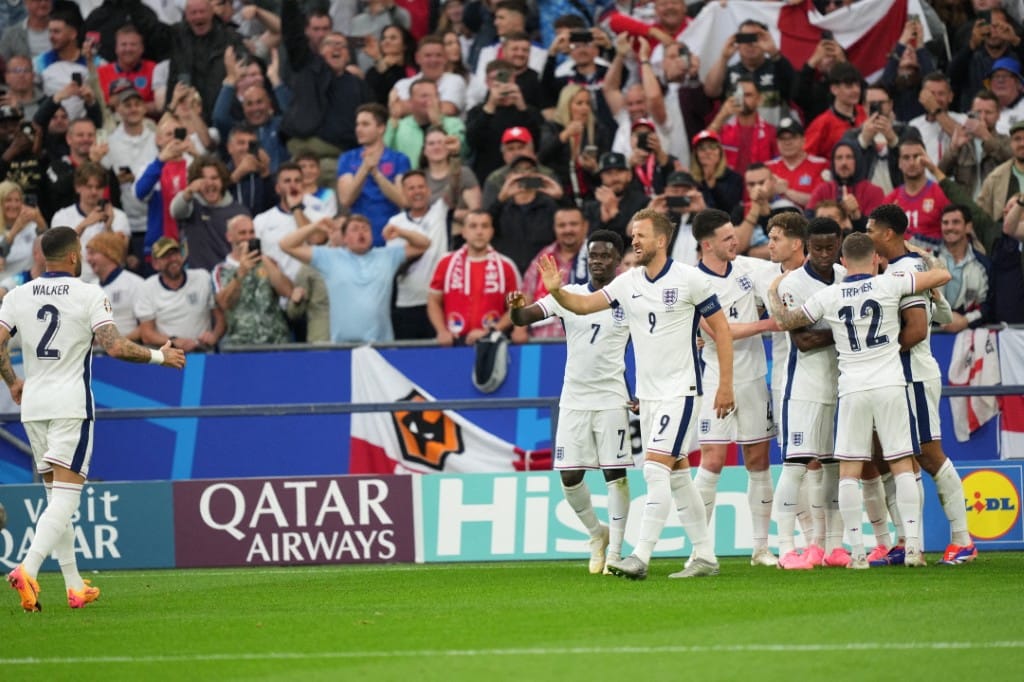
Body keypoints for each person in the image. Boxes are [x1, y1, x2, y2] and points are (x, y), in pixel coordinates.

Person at [538, 208, 733, 580]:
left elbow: (721, 331)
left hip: (682, 391)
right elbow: (582, 305)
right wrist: (556, 291)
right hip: (649, 394)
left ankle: (639, 557)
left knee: (655, 471)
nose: (634, 241)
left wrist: (724, 385)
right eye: (633, 235)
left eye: (640, 235)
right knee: (676, 475)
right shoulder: (628, 283)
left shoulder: (690, 279)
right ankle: (705, 556)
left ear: (661, 240)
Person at [3, 226, 184, 613]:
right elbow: (115, 346)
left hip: (33, 405)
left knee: (56, 498)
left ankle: (73, 585)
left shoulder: (17, 295)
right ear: (72, 257)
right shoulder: (88, 295)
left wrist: (12, 381)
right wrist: (159, 356)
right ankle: (28, 568)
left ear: (42, 256)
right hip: (70, 405)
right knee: (67, 499)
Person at [768, 229, 952, 569]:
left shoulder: (830, 295)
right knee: (900, 466)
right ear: (876, 260)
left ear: (841, 261)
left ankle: (855, 553)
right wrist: (921, 252)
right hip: (890, 385)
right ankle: (913, 548)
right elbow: (943, 273)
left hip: (851, 388)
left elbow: (787, 321)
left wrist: (773, 291)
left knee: (849, 472)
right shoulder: (890, 283)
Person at [507, 229, 632, 574]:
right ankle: (597, 533)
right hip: (574, 398)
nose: (597, 261)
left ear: (618, 261)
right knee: (570, 476)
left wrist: (634, 392)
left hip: (611, 398)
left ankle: (617, 553)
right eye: (592, 255)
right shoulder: (568, 294)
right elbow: (525, 317)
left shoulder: (628, 297)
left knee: (615, 474)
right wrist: (516, 309)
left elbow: (646, 347)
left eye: (605, 255)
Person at [865, 204, 978, 566]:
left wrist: (878, 354)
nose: (867, 236)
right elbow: (940, 314)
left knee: (929, 454)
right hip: (896, 376)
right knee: (891, 457)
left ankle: (963, 540)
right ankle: (905, 540)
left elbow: (914, 330)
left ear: (887, 234)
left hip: (912, 372)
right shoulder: (900, 268)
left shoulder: (908, 269)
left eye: (871, 230)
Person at [690, 208, 779, 567]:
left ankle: (760, 548)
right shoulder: (693, 282)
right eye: (727, 238)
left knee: (758, 461)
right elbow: (718, 332)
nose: (736, 241)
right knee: (711, 460)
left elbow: (783, 278)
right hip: (715, 379)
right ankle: (700, 549)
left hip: (755, 376)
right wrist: (768, 324)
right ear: (707, 244)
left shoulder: (747, 268)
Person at [771, 217, 846, 569]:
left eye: (831, 248)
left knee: (834, 467)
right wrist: (847, 331)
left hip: (840, 386)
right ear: (806, 246)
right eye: (817, 248)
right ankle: (787, 547)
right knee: (797, 465)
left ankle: (829, 546)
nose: (824, 255)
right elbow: (802, 341)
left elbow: (817, 333)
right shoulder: (793, 284)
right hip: (802, 388)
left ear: (840, 244)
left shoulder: (848, 278)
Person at [279, 213, 429, 343]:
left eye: (365, 228)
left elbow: (424, 244)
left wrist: (401, 232)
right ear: (344, 238)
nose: (361, 232)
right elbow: (286, 245)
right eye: (355, 229)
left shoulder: (387, 256)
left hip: (381, 344)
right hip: (343, 346)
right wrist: (314, 226)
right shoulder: (330, 257)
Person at [428, 209, 523, 346]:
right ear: (464, 232)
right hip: (453, 342)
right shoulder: (446, 263)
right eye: (473, 226)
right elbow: (433, 301)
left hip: (491, 342)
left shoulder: (506, 265)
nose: (479, 232)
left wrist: (492, 330)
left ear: (491, 231)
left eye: (485, 226)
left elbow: (517, 307)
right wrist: (442, 331)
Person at [386, 170, 451, 340]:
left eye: (421, 187)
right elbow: (397, 261)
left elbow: (455, 187)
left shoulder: (440, 211)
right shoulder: (395, 223)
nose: (417, 192)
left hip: (439, 301)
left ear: (429, 190)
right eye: (411, 188)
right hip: (407, 301)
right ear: (404, 193)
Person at [336, 103, 410, 246]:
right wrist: (364, 168)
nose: (359, 129)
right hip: (357, 238)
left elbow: (403, 200)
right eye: (357, 124)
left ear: (381, 128)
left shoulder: (400, 159)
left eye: (365, 124)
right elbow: (346, 199)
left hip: (389, 235)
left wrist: (376, 173)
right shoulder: (347, 158)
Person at [135, 236, 225, 352]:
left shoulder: (202, 277)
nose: (173, 259)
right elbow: (147, 334)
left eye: (176, 254)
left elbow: (221, 318)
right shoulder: (147, 287)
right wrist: (174, 341)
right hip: (168, 355)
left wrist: (214, 336)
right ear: (156, 264)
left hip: (201, 352)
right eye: (166, 256)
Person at [212, 214, 292, 345]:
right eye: (242, 233)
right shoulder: (221, 270)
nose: (248, 237)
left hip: (276, 341)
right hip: (240, 344)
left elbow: (287, 292)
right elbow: (224, 303)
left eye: (251, 232)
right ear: (229, 237)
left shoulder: (269, 263)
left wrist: (263, 259)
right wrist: (241, 272)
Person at [50, 162, 131, 284]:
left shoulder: (118, 216)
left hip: (108, 285)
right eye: (89, 186)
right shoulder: (61, 216)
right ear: (78, 187)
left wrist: (108, 227)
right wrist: (83, 225)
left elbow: (122, 256)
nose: (94, 192)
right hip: (74, 283)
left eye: (98, 187)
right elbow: (56, 254)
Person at [520, 205, 590, 339]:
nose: (568, 229)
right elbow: (526, 294)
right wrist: (520, 327)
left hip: (586, 340)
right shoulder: (543, 257)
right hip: (542, 342)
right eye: (562, 225)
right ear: (555, 228)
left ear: (585, 226)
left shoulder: (598, 256)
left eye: (573, 224)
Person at [170, 155, 249, 272]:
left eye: (214, 178)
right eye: (203, 179)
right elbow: (175, 211)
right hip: (197, 278)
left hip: (228, 276)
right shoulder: (191, 205)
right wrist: (189, 191)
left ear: (222, 181)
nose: (209, 183)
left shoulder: (239, 211)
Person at [884, 138, 951, 248]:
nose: (912, 162)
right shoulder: (890, 201)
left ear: (925, 159)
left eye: (916, 156)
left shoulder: (940, 194)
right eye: (906, 157)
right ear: (899, 163)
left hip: (933, 261)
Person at [936, 204, 992, 331]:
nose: (949, 227)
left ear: (968, 227)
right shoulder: (928, 260)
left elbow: (988, 305)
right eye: (945, 223)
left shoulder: (984, 265)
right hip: (932, 340)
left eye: (956, 222)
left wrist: (965, 321)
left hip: (971, 339)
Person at [708, 75, 778, 177]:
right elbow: (703, 149)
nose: (742, 99)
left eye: (748, 95)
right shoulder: (723, 129)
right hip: (729, 189)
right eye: (739, 95)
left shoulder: (771, 132)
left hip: (759, 189)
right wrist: (722, 115)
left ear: (759, 99)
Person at [86, 230, 143, 340]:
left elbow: (146, 327)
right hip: (96, 354)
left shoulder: (135, 283)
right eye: (87, 254)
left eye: (92, 253)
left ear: (109, 254)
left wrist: (118, 345)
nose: (88, 259)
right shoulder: (90, 287)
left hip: (128, 353)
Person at [766, 117, 829, 209]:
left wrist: (786, 191)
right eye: (782, 139)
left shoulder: (821, 165)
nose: (787, 143)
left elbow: (821, 202)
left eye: (793, 137)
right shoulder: (768, 167)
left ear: (803, 140)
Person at [0, 180, 46, 281]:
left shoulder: (32, 227)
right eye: (8, 200)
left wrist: (40, 221)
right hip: (4, 290)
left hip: (29, 287)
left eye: (17, 200)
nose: (14, 205)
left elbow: (49, 249)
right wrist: (14, 231)